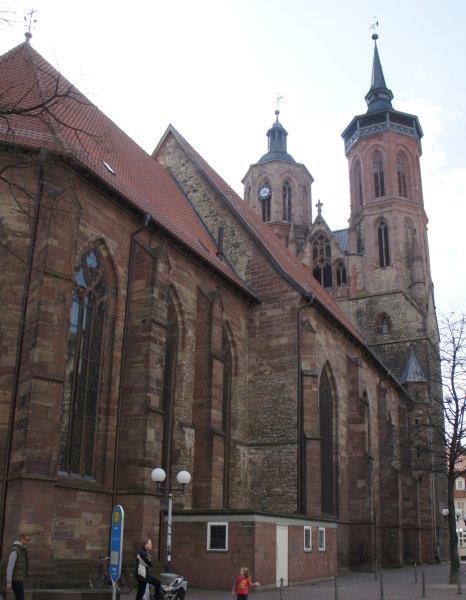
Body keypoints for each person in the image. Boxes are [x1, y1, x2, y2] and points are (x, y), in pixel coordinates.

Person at [6, 533, 30, 600]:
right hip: (15, 580)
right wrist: (9, 582)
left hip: (19, 580)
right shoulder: (15, 551)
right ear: (22, 539)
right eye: (27, 540)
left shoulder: (22, 550)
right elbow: (10, 567)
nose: (28, 542)